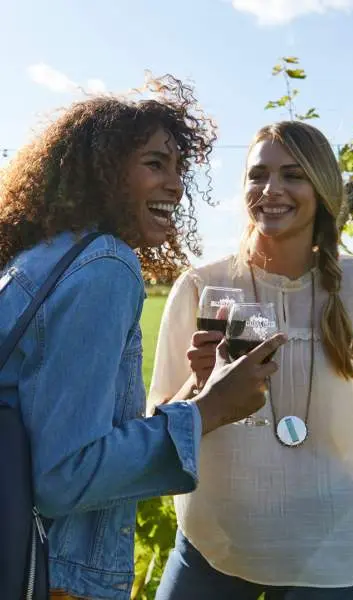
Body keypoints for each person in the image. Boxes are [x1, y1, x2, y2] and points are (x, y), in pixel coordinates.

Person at [0, 75, 286, 600]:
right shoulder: (106, 266)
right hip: (57, 578)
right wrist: (214, 410)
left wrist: (195, 390)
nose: (176, 186)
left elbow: (74, 436)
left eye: (180, 170)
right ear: (103, 172)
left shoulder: (38, 260)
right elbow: (66, 476)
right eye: (155, 164)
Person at [149, 120, 353, 600]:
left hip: (330, 542)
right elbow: (159, 412)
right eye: (257, 174)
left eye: (292, 175)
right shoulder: (204, 285)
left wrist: (351, 466)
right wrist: (200, 384)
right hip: (214, 539)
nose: (271, 190)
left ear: (321, 186)